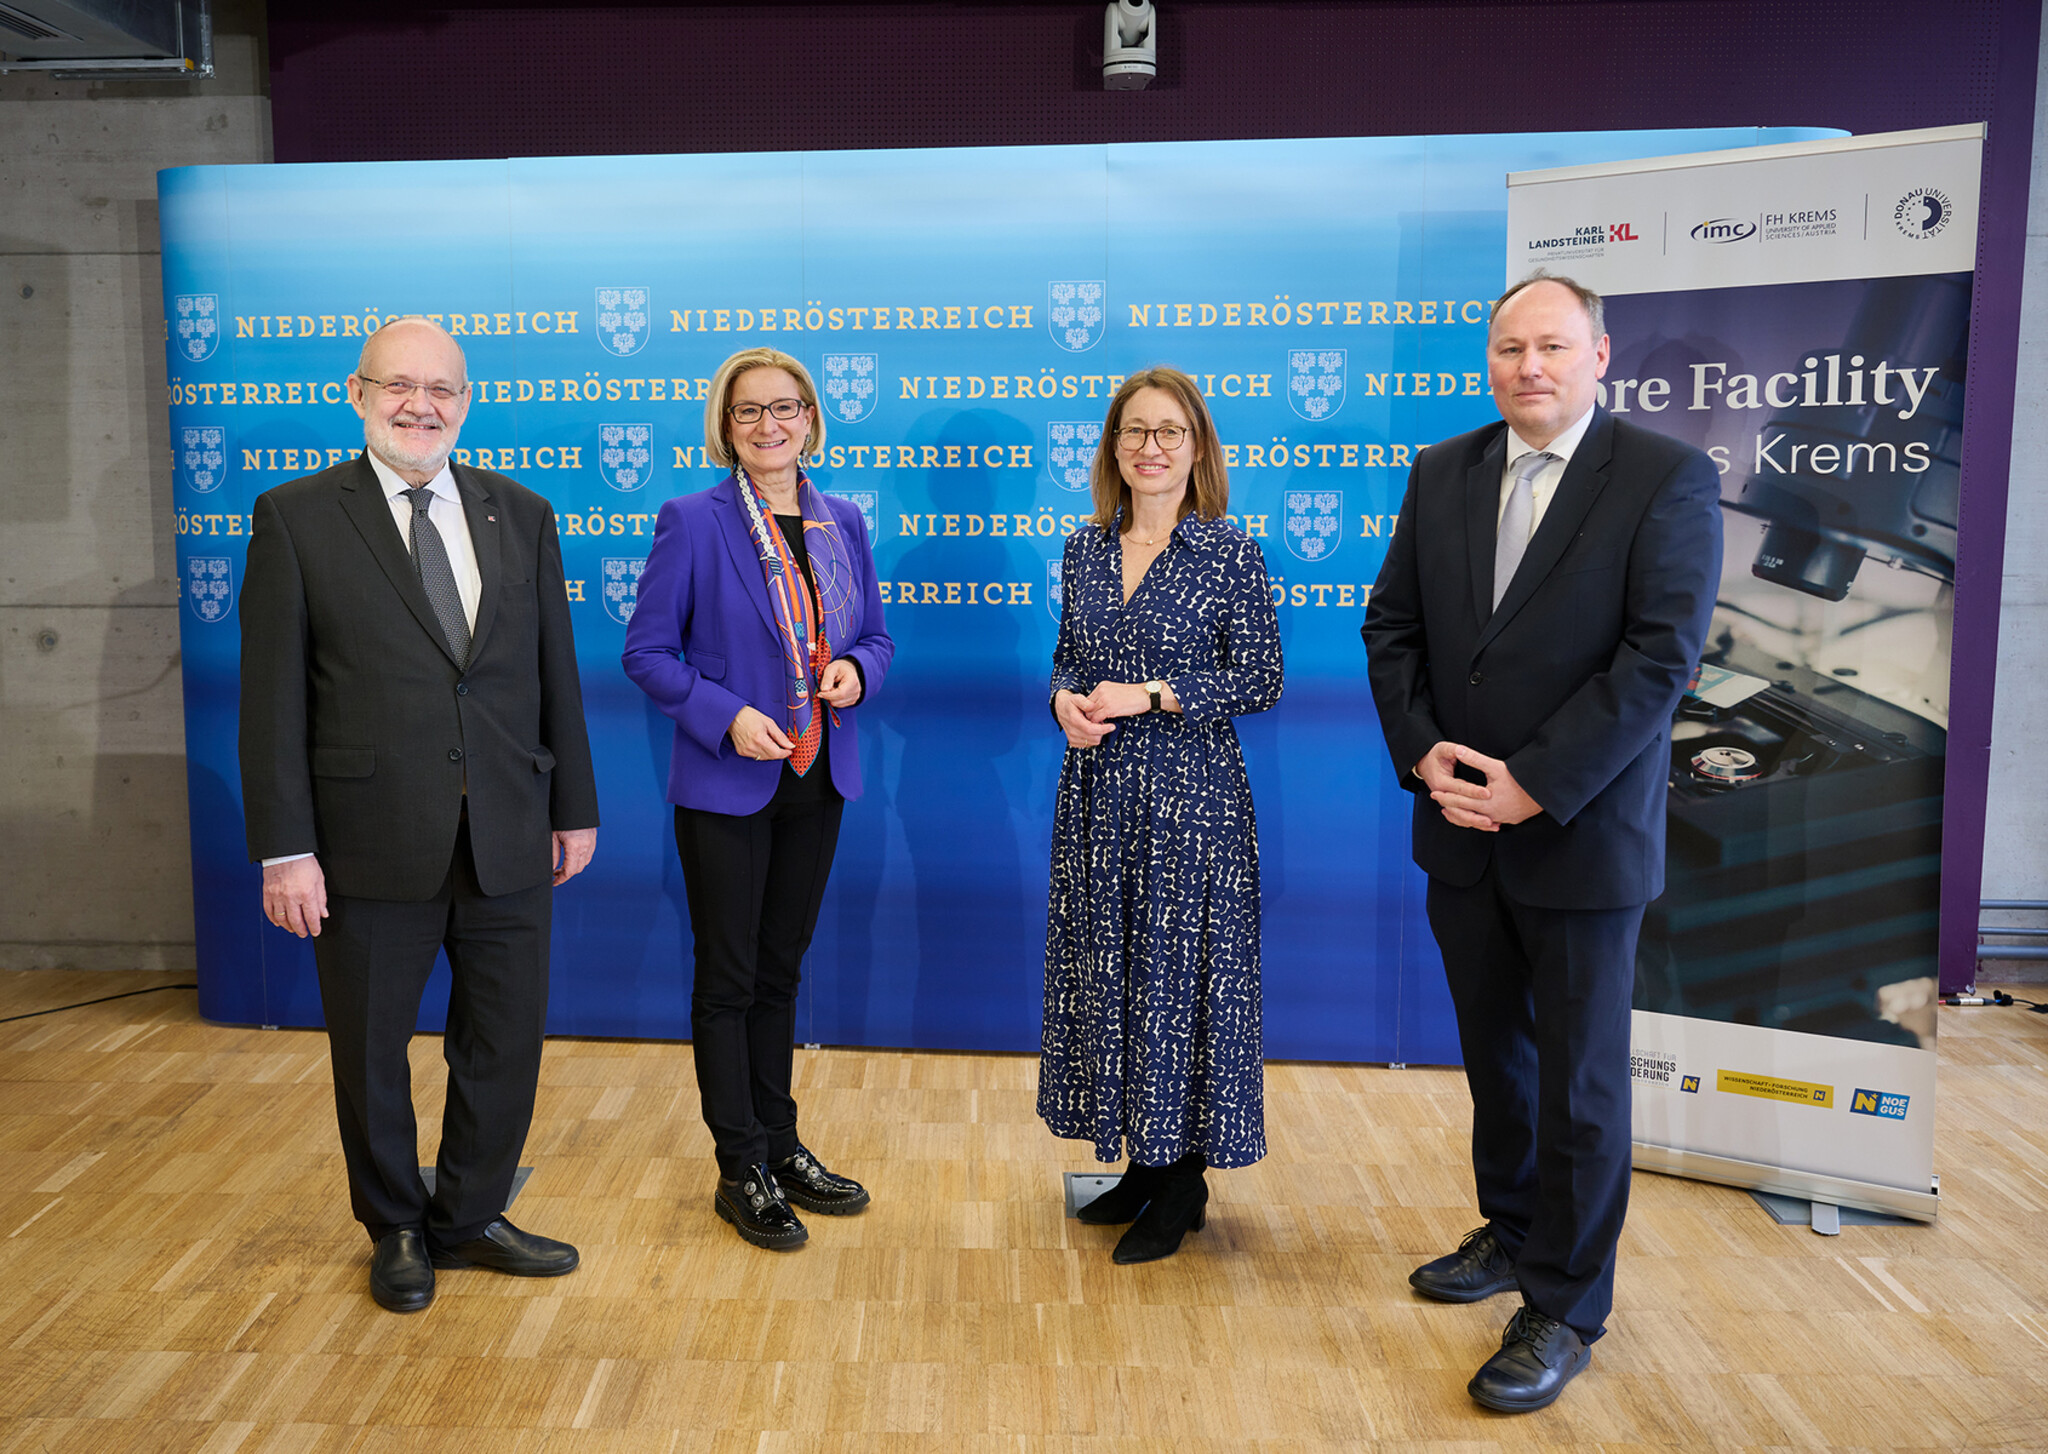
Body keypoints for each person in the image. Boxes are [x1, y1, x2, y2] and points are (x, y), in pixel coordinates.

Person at [1362, 272, 1722, 1411]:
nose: (1529, 365)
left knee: (1577, 1082)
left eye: (1552, 345)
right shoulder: (1442, 469)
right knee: (1498, 1059)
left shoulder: (1665, 477)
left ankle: (1565, 1302)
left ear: (1599, 353)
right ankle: (1513, 1233)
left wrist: (1534, 784)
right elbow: (1393, 627)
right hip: (1458, 829)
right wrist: (1423, 753)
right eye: (1510, 347)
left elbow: (1658, 660)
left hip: (1579, 835)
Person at [240, 317, 600, 1314]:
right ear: (357, 394)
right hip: (363, 841)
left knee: (504, 1037)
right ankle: (395, 1223)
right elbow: (270, 700)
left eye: (441, 388)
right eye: (399, 385)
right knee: (370, 1047)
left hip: (509, 831)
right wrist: (285, 848)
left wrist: (573, 804)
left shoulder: (517, 512)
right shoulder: (298, 516)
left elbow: (550, 675)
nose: (420, 404)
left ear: (466, 402)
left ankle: (472, 1211)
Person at [622, 346, 893, 1251]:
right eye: (749, 413)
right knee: (729, 978)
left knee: (782, 970)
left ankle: (781, 1144)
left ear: (812, 419)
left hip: (819, 776)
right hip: (728, 781)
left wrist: (857, 669)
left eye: (785, 409)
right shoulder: (692, 522)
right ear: (725, 427)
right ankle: (738, 1166)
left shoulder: (841, 521)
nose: (769, 426)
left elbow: (878, 639)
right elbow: (648, 654)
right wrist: (725, 715)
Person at [1039, 365, 1284, 1265]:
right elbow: (1068, 659)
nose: (1150, 448)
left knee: (1180, 980)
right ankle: (1141, 1165)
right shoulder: (1083, 548)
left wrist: (1151, 694)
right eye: (1134, 432)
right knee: (1114, 975)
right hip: (1099, 801)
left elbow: (1261, 679)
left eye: (1169, 433)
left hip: (1193, 804)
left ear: (1196, 449)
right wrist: (1063, 701)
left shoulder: (1228, 551)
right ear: (1112, 447)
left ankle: (1182, 1184)